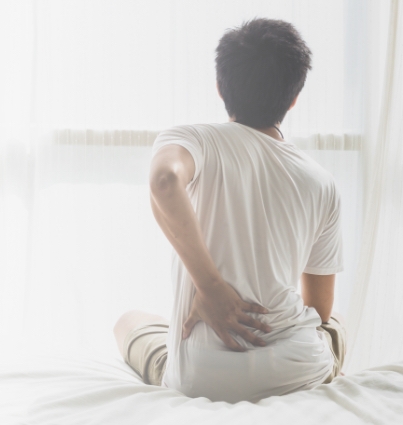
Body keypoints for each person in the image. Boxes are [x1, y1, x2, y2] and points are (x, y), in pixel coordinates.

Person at [113, 18, 346, 403]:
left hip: (202, 378)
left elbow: (165, 181)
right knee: (337, 324)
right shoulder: (322, 181)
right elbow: (319, 310)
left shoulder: (194, 139)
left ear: (221, 88)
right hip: (298, 371)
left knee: (128, 321)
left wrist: (211, 289)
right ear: (294, 98)